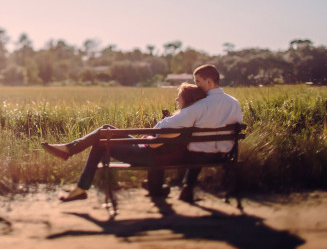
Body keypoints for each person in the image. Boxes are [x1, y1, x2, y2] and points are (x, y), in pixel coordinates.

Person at [41, 64, 243, 203]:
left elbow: (165, 130)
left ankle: (71, 156)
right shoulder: (235, 104)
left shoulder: (199, 107)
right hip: (221, 154)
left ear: (209, 82)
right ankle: (72, 157)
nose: (196, 86)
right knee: (110, 132)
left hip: (191, 153)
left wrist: (166, 121)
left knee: (104, 135)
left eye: (198, 82)